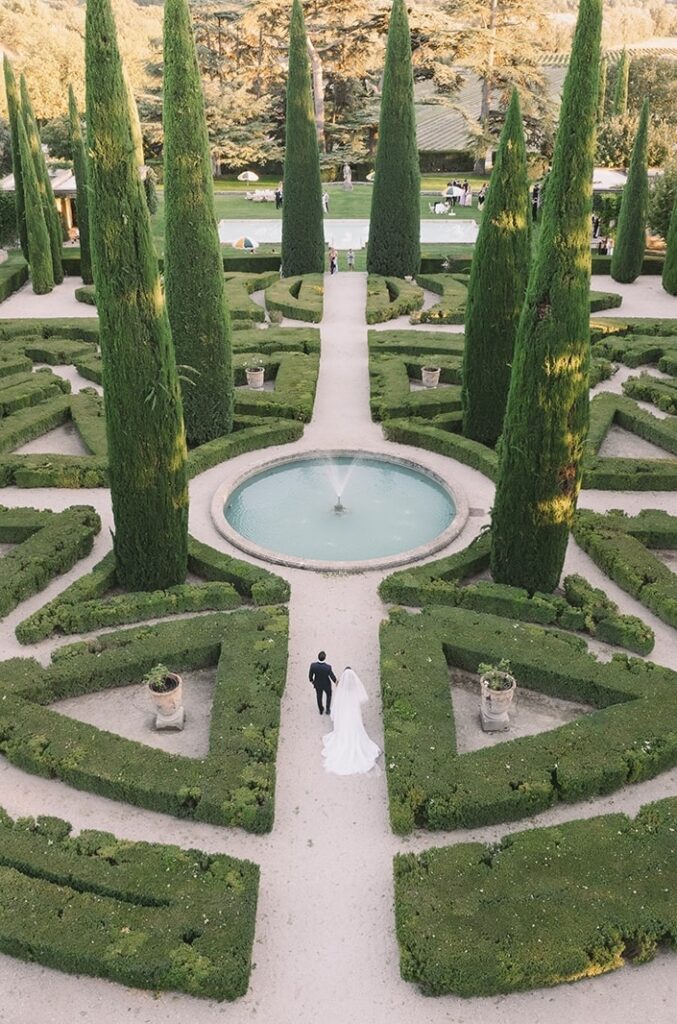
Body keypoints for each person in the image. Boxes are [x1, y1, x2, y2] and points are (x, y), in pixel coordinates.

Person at [322, 667, 380, 775]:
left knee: (344, 728)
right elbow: (359, 700)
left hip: (344, 712)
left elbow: (337, 703)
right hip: (353, 712)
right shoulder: (354, 688)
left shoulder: (341, 689)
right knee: (355, 728)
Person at [309, 651, 336, 716]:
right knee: (329, 695)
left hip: (317, 684)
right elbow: (331, 676)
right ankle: (327, 709)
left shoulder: (313, 665)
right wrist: (336, 681)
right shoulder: (328, 667)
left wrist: (312, 681)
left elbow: (310, 675)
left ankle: (321, 710)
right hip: (326, 684)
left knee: (319, 696)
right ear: (325, 658)